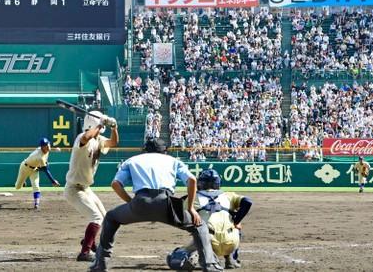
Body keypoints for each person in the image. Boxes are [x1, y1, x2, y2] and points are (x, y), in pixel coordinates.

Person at [89, 138, 222, 272]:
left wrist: (131, 203)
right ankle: (209, 265)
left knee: (111, 217)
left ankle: (100, 264)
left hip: (140, 202)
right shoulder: (173, 161)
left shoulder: (132, 160)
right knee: (199, 226)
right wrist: (191, 208)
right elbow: (192, 180)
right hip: (166, 204)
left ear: (145, 150)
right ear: (165, 151)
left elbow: (115, 184)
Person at [167, 169, 253, 270]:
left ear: (200, 183)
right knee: (236, 226)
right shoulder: (228, 196)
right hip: (232, 243)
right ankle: (231, 260)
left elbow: (182, 219)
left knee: (173, 258)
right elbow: (248, 202)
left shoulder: (193, 198)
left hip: (208, 242)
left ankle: (198, 255)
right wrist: (236, 221)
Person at [64, 110, 119, 262]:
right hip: (74, 189)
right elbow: (87, 137)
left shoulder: (99, 139)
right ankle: (85, 252)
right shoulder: (80, 138)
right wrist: (101, 123)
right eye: (99, 126)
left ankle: (89, 241)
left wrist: (114, 127)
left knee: (105, 217)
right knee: (96, 218)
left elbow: (113, 143)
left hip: (86, 188)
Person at [14, 137, 60, 209]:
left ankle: (36, 204)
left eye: (48, 144)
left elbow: (43, 165)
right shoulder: (39, 156)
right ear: (42, 148)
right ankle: (23, 182)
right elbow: (45, 170)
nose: (48, 147)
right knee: (17, 187)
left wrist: (44, 164)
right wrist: (53, 181)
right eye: (45, 146)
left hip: (34, 169)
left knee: (36, 186)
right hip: (25, 168)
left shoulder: (46, 150)